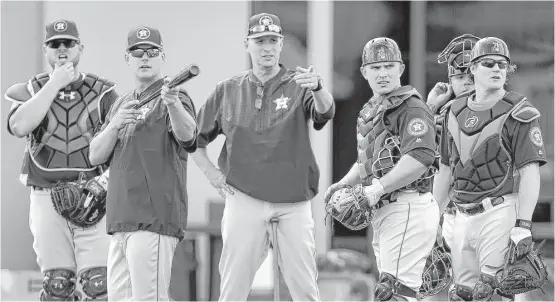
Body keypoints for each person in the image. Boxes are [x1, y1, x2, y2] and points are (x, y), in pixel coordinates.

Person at [191, 13, 335, 301]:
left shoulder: (299, 83)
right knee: (234, 281)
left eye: (272, 40)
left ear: (281, 44)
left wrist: (318, 87)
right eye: (259, 41)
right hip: (244, 197)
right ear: (247, 44)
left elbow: (325, 112)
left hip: (293, 198)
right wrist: (211, 173)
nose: (266, 47)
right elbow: (193, 140)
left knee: (304, 283)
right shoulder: (228, 89)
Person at [3, 19, 118, 301]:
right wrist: (55, 83)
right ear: (46, 50)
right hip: (46, 194)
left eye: (69, 43)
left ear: (80, 47)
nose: (62, 48)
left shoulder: (102, 92)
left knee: (99, 284)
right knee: (57, 285)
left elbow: (120, 145)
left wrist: (103, 185)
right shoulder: (31, 89)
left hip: (92, 195)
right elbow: (19, 126)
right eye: (55, 44)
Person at [324, 37, 439, 301]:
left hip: (408, 205)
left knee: (394, 293)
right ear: (365, 72)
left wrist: (376, 189)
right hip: (385, 209)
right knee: (397, 291)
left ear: (400, 68)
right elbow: (367, 159)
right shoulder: (370, 109)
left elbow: (420, 157)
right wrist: (345, 183)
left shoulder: (411, 106)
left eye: (389, 66)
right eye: (376, 67)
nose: (383, 73)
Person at [88, 25, 198, 301]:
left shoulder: (174, 96)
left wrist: (172, 105)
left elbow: (189, 137)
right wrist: (114, 125)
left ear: (162, 57)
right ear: (128, 59)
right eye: (137, 52)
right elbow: (94, 155)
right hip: (120, 219)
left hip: (153, 219)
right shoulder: (121, 104)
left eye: (152, 51)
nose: (145, 57)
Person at [433, 36, 547, 301]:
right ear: (472, 69)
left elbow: (530, 171)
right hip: (460, 215)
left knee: (491, 293)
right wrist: (432, 218)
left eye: (501, 64)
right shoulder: (454, 110)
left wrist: (523, 225)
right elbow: (445, 169)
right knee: (462, 295)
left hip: (499, 211)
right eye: (488, 63)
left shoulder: (519, 110)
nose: (497, 69)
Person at [427, 34, 480, 250]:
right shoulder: (441, 118)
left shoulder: (506, 109)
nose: (466, 82)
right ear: (450, 82)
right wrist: (430, 107)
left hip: (496, 209)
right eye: (459, 77)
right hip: (453, 212)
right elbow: (409, 151)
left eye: (471, 77)